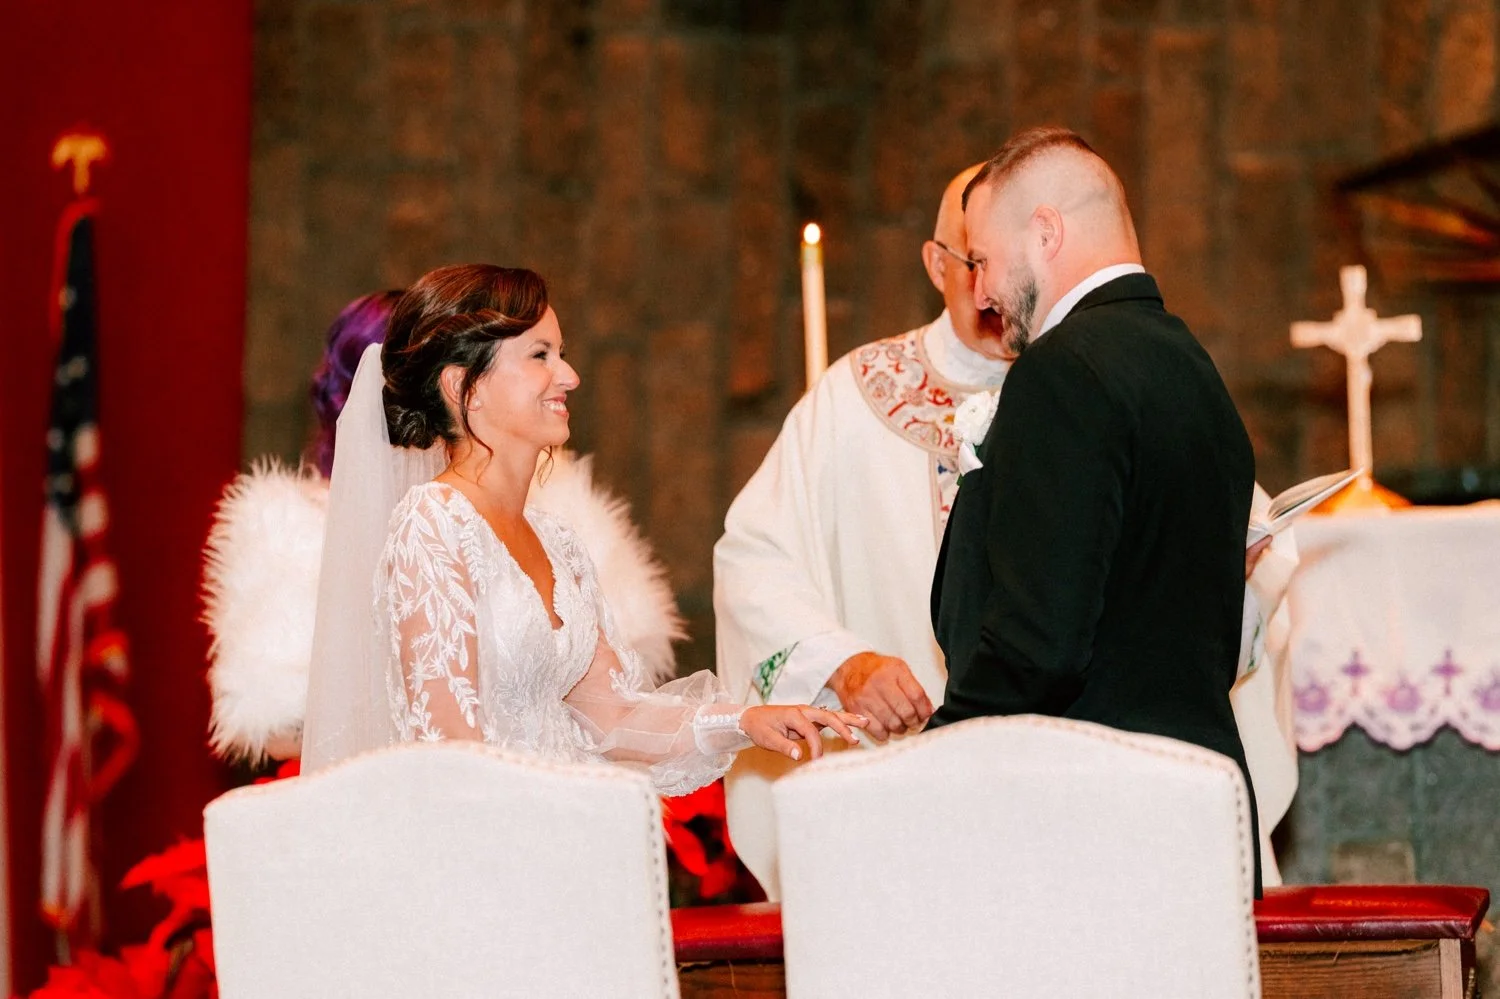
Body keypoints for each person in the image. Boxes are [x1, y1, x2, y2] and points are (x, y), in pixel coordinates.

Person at [298, 264, 865, 795]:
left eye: (561, 353)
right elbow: (449, 753)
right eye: (539, 355)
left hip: (576, 838)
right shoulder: (432, 525)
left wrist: (746, 720)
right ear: (461, 386)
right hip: (495, 849)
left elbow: (613, 718)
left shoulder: (555, 540)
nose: (568, 375)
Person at [932, 126, 1262, 890]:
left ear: (1044, 230)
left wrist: (931, 755)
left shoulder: (1064, 373)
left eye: (981, 259)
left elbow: (1038, 647)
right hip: (1200, 813)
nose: (979, 293)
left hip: (1098, 832)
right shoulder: (1190, 367)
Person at [713, 164, 1013, 896]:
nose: (987, 288)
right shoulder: (854, 396)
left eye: (1001, 262)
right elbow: (753, 559)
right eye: (970, 262)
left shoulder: (1083, 382)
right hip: (893, 785)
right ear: (934, 262)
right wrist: (846, 665)